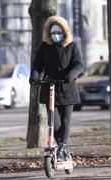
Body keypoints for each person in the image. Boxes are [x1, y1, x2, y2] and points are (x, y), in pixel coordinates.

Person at [29, 16, 83, 162]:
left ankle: (62, 147)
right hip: (49, 87)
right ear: (49, 33)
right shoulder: (45, 47)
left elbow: (78, 65)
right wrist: (34, 77)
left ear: (64, 32)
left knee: (65, 121)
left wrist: (70, 75)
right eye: (53, 33)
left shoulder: (72, 46)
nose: (55, 35)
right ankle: (63, 148)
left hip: (67, 88)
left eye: (58, 32)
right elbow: (37, 65)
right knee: (54, 122)